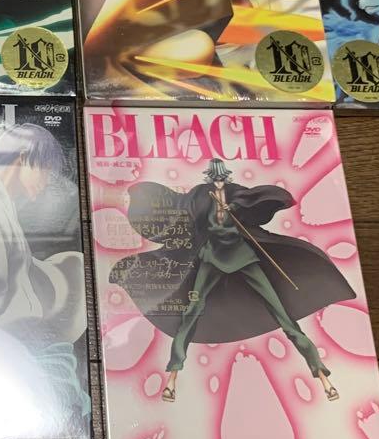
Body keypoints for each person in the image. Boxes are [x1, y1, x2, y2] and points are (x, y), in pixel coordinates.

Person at [110, 158, 355, 404]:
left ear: (225, 175)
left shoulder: (236, 192)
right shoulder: (199, 194)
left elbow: (255, 201)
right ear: (209, 175)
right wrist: (147, 196)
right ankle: (172, 378)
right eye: (214, 175)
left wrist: (236, 207)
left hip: (241, 255)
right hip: (211, 257)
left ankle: (321, 374)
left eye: (221, 175)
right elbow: (179, 210)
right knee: (192, 312)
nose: (218, 178)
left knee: (281, 312)